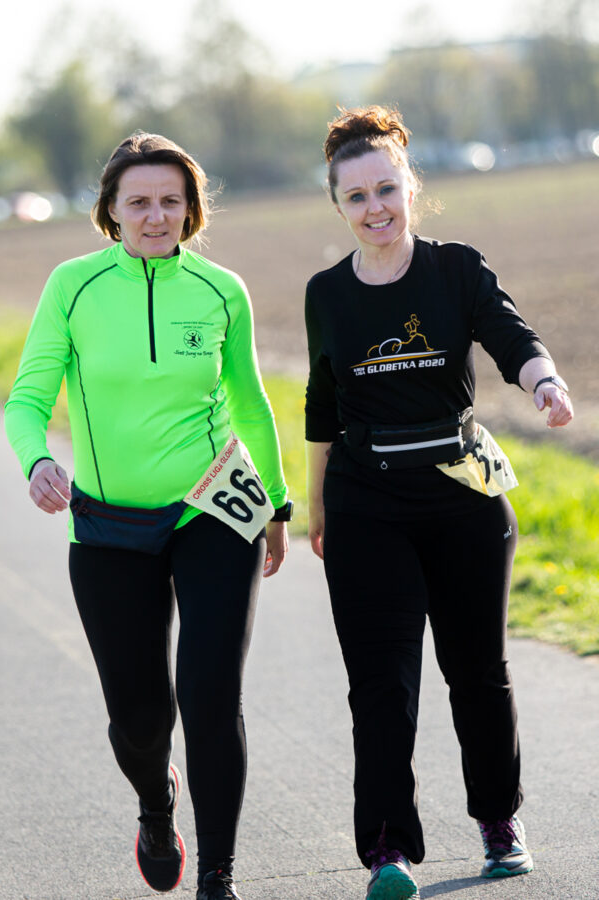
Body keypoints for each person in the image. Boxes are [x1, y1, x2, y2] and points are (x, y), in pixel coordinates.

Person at [5, 132, 294, 900]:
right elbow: (27, 400)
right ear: (111, 209)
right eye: (139, 201)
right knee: (138, 716)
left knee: (210, 693)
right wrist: (36, 461)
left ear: (192, 208)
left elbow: (250, 404)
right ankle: (156, 803)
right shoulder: (73, 286)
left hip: (214, 509)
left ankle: (218, 876)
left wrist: (276, 502)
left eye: (171, 200)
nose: (156, 215)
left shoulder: (221, 290)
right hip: (108, 526)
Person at [304, 106, 573, 900]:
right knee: (380, 683)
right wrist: (316, 505)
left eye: (386, 189)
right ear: (338, 204)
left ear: (410, 187)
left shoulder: (456, 270)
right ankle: (389, 849)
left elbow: (511, 334)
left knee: (477, 671)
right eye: (356, 196)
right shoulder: (328, 293)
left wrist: (546, 383)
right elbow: (322, 405)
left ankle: (499, 821)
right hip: (365, 502)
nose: (375, 208)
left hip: (462, 494)